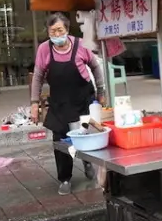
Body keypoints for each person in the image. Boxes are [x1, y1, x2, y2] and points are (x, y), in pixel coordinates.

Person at [30, 12, 106, 195]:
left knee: (87, 135)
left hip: (82, 99)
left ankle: (87, 162)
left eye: (59, 30)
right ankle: (65, 178)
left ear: (67, 29)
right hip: (60, 102)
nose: (56, 35)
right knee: (61, 141)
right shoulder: (44, 49)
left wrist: (101, 91)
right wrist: (34, 103)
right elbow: (38, 76)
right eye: (52, 31)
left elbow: (95, 66)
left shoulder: (80, 45)